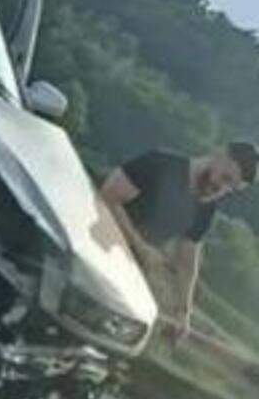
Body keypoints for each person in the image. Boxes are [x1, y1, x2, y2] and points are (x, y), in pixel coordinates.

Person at [100, 141, 259, 339]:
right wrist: (140, 246)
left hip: (120, 274)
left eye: (231, 188)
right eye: (225, 178)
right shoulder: (161, 163)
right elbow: (108, 196)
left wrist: (183, 314)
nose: (222, 188)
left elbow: (187, 264)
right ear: (219, 153)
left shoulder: (205, 208)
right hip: (93, 244)